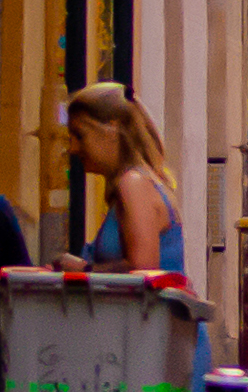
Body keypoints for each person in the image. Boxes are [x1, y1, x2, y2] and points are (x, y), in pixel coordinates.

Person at [53, 85, 189, 283]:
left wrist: (83, 269)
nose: (73, 148)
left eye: (80, 136)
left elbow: (142, 271)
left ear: (112, 128)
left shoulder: (133, 184)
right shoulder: (136, 182)